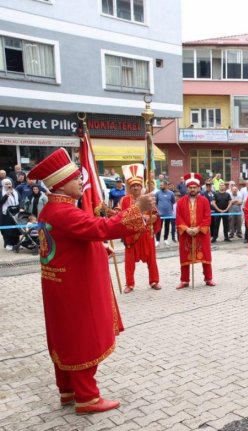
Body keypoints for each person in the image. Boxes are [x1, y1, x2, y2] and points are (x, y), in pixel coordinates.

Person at [28, 147, 152, 414]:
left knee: (65, 337)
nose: (81, 181)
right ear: (61, 183)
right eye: (75, 178)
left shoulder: (51, 210)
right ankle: (87, 398)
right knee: (82, 337)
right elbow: (100, 228)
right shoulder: (64, 213)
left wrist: (98, 248)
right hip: (76, 289)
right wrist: (137, 209)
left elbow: (75, 240)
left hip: (61, 287)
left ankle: (68, 390)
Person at [120, 164, 161, 292]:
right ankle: (129, 284)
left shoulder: (147, 198)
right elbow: (119, 215)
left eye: (138, 185)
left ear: (141, 186)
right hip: (131, 235)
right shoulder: (124, 200)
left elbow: (155, 215)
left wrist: (150, 219)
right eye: (133, 186)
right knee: (129, 262)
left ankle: (154, 281)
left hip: (146, 233)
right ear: (130, 188)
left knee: (152, 259)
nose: (136, 187)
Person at [175, 172, 215, 288]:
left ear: (198, 188)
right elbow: (179, 217)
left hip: (201, 233)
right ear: (187, 188)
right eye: (190, 187)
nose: (192, 189)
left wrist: (198, 228)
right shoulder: (181, 201)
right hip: (186, 233)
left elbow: (207, 217)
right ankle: (184, 280)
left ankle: (208, 278)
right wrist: (186, 229)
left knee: (205, 255)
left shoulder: (204, 200)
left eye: (194, 187)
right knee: (184, 255)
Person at [0, 178, 20, 250]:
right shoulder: (1, 192)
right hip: (6, 213)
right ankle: (8, 244)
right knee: (8, 229)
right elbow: (1, 202)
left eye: (9, 184)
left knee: (16, 229)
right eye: (6, 184)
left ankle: (17, 243)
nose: (8, 185)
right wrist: (6, 194)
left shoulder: (15, 191)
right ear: (3, 185)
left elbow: (19, 200)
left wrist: (21, 207)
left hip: (15, 212)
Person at [155, 180, 176, 246]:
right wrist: (157, 211)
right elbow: (155, 203)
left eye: (161, 185)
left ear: (166, 185)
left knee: (167, 227)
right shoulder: (157, 193)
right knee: (159, 227)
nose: (160, 186)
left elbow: (173, 201)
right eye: (160, 185)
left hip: (168, 214)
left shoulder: (171, 193)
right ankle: (157, 240)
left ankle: (165, 239)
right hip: (160, 214)